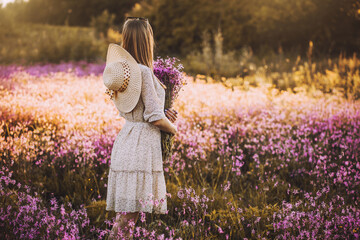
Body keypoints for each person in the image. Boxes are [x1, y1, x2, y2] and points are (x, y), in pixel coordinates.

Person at [102, 16, 178, 240]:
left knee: (123, 219)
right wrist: (173, 128)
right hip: (141, 147)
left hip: (127, 139)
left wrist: (163, 114)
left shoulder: (123, 74)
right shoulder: (143, 72)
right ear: (147, 40)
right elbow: (154, 118)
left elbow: (140, 111)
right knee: (127, 221)